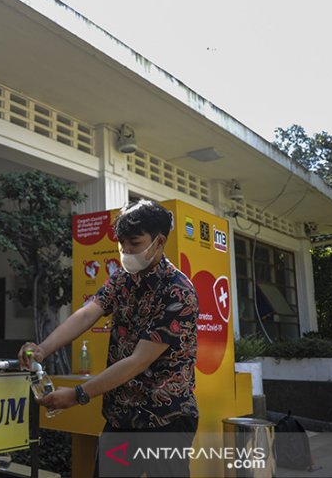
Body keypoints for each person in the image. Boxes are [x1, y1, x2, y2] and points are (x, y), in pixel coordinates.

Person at [18, 199, 199, 478]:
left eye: (134, 244)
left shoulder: (178, 292)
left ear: (159, 241)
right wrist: (42, 349)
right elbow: (87, 314)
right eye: (122, 243)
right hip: (122, 416)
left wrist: (78, 395)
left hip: (166, 420)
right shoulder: (121, 280)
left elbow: (138, 361)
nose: (126, 251)